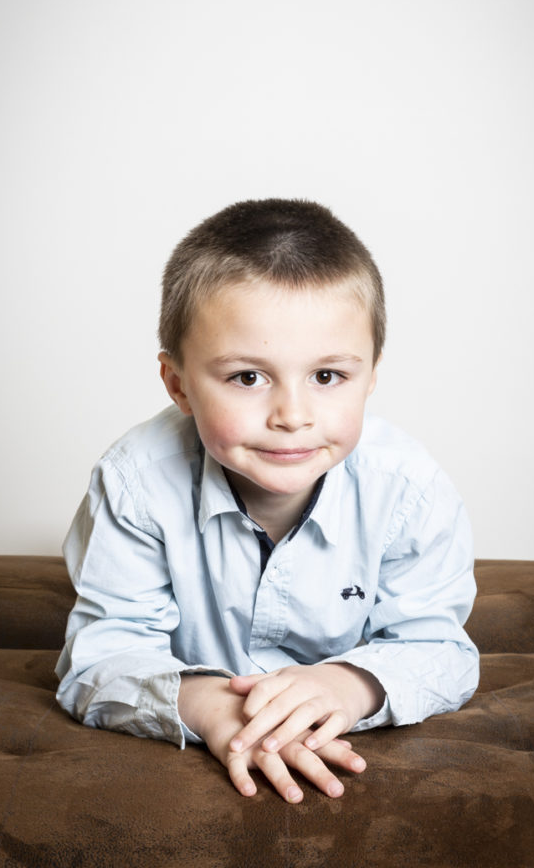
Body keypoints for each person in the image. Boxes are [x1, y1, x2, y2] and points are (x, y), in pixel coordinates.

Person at [55, 198, 479, 804]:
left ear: (372, 376)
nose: (293, 417)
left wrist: (349, 685)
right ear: (178, 384)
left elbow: (440, 649)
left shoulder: (409, 489)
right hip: (210, 709)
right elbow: (103, 655)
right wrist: (209, 710)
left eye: (328, 376)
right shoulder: (136, 482)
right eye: (247, 377)